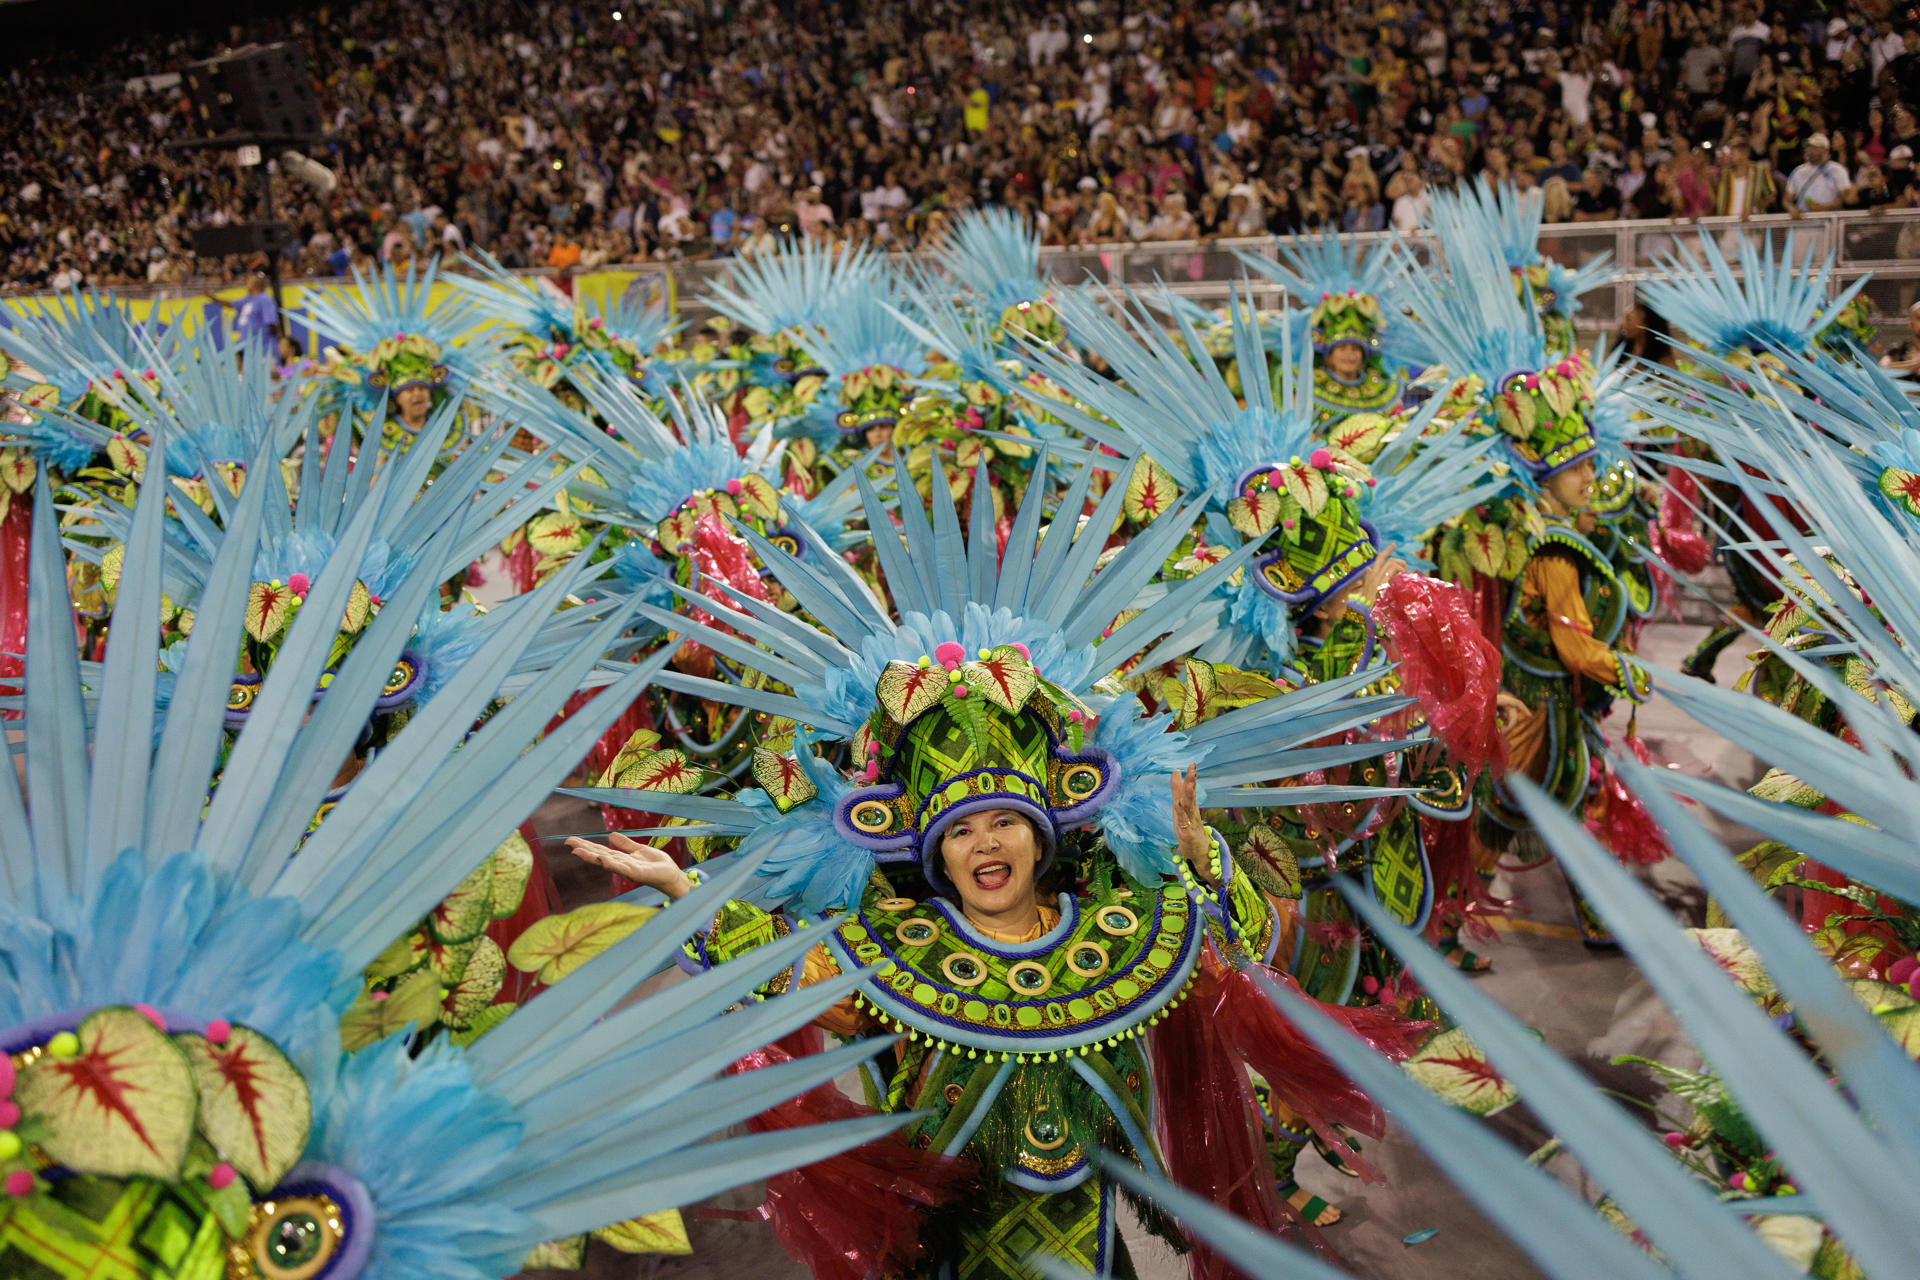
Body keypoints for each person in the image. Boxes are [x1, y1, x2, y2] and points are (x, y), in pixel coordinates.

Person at [213, 272, 278, 358]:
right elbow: (231, 304)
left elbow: (272, 323)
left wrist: (277, 339)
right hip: (249, 349)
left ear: (257, 283)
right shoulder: (248, 299)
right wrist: (213, 298)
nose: (246, 283)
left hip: (263, 349)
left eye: (249, 280)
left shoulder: (264, 299)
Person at [1786, 133, 1850, 212]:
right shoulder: (1798, 172)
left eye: (1814, 147)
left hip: (1829, 221)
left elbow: (1844, 199)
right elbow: (1786, 200)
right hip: (1804, 221)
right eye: (1808, 147)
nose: (1809, 150)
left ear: (1825, 149)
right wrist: (1792, 209)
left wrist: (1824, 207)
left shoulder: (1837, 170)